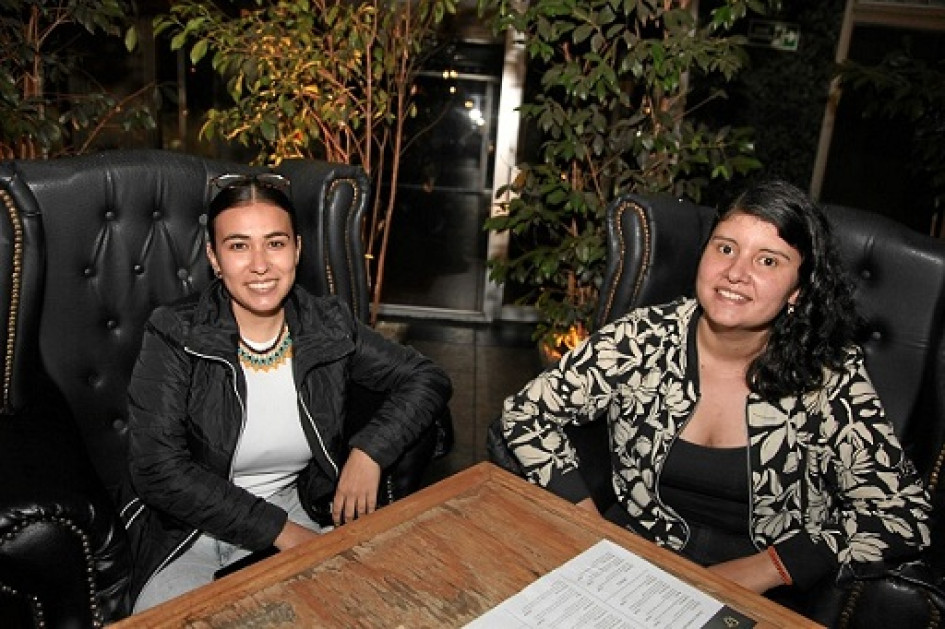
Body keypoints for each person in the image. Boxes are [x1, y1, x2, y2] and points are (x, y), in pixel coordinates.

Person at [499, 179, 931, 600]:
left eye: (768, 261)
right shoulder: (641, 339)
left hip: (764, 590)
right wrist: (586, 526)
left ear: (797, 290)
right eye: (725, 248)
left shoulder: (828, 376)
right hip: (633, 564)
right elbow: (526, 414)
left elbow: (902, 514)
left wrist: (768, 569)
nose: (735, 273)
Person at [122, 172, 452, 611]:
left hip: (297, 505)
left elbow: (426, 378)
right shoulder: (175, 332)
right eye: (238, 245)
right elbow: (158, 469)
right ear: (214, 258)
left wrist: (370, 450)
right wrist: (281, 534)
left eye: (275, 243)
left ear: (297, 249)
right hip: (187, 530)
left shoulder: (326, 323)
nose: (260, 264)